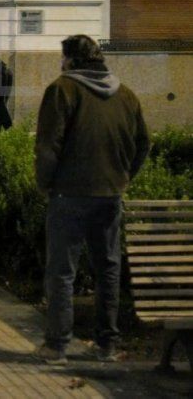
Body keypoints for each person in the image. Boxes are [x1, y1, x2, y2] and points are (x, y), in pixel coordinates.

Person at [33, 35, 149, 365]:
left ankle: (56, 346)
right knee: (108, 270)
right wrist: (123, 177)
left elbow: (47, 146)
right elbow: (144, 143)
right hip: (110, 195)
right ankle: (107, 346)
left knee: (61, 272)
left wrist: (45, 184)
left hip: (69, 195)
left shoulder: (62, 90)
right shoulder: (125, 94)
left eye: (63, 57)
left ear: (71, 60)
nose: (60, 63)